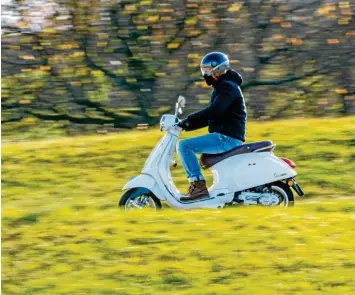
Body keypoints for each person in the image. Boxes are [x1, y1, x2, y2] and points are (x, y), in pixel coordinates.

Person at [177, 52, 247, 201]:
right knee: (185, 145)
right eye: (204, 70)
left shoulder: (227, 88)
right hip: (225, 136)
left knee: (184, 146)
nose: (205, 73)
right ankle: (198, 186)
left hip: (227, 137)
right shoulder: (223, 86)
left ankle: (198, 186)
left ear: (218, 70)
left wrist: (188, 120)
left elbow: (214, 111)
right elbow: (212, 117)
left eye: (208, 70)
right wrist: (186, 125)